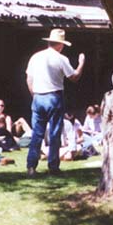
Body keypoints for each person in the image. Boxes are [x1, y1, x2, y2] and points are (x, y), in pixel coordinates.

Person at [26, 28, 85, 176]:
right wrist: (81, 63)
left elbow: (29, 79)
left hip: (38, 96)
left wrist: (34, 95)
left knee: (37, 134)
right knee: (54, 133)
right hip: (54, 96)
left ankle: (31, 166)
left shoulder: (35, 57)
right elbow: (74, 77)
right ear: (60, 44)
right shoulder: (61, 59)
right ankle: (53, 166)